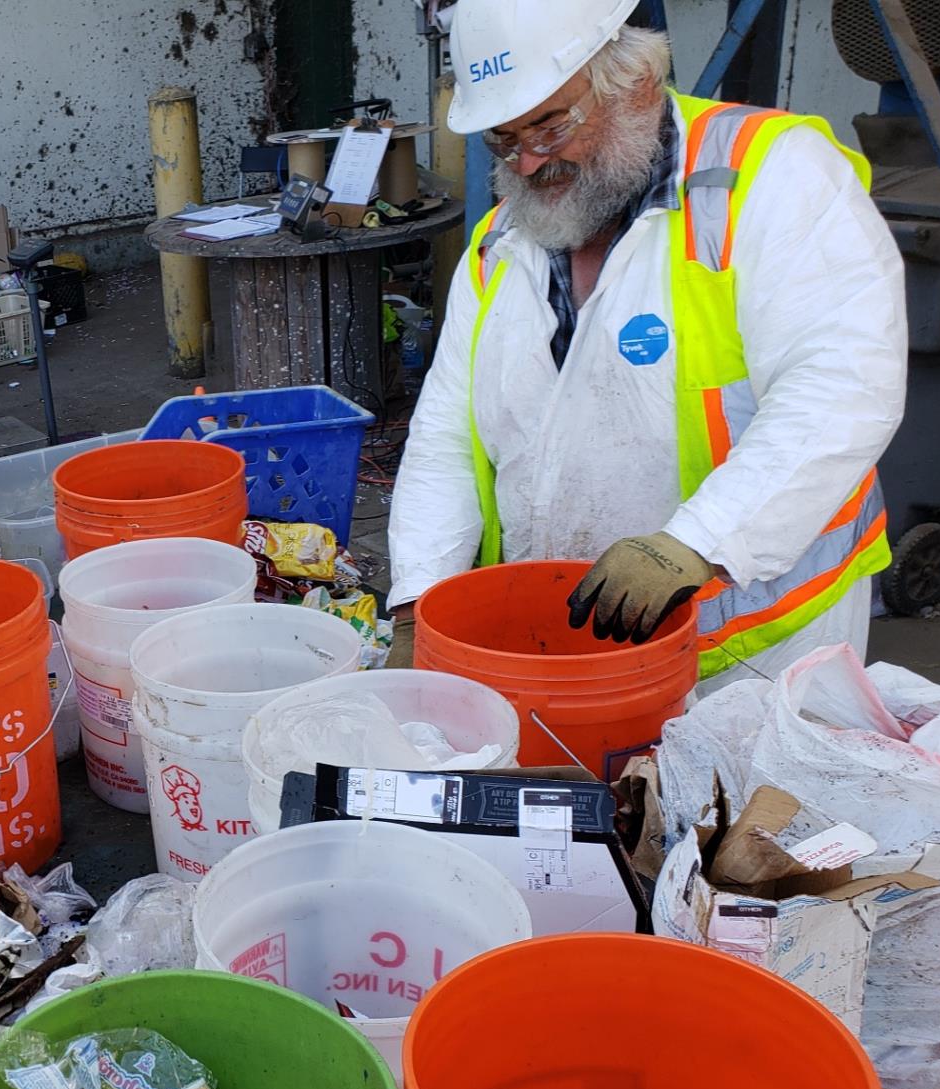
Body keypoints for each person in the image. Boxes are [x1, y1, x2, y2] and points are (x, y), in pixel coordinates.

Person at [389, 2, 907, 689]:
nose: (530, 160)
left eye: (551, 123)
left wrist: (698, 540)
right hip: (575, 649)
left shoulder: (773, 175)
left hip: (757, 656)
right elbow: (447, 440)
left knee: (749, 802)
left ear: (633, 80)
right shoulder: (499, 245)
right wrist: (418, 604)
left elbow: (845, 386)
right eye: (502, 140)